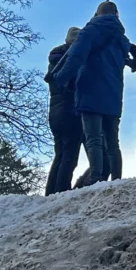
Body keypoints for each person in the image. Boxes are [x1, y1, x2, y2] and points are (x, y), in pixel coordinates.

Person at [50, 1, 136, 187]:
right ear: (116, 14)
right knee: (113, 143)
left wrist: (58, 78)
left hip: (90, 92)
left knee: (93, 140)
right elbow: (133, 62)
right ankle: (116, 179)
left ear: (97, 14)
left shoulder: (89, 32)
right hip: (114, 95)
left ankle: (96, 178)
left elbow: (75, 57)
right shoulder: (121, 39)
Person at [44, 27, 83, 195]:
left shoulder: (55, 59)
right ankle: (61, 190)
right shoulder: (72, 59)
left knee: (60, 153)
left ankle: (50, 192)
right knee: (70, 155)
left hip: (55, 112)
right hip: (70, 111)